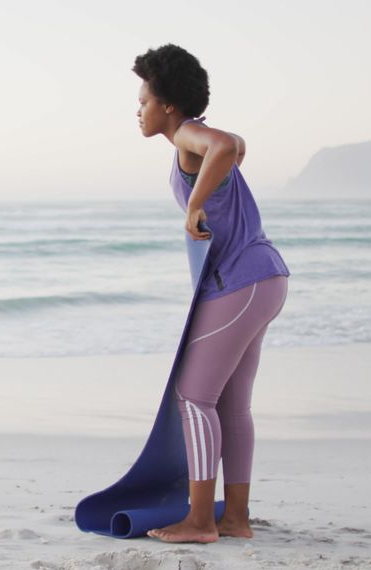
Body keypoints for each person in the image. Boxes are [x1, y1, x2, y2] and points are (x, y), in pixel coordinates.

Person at [133, 43, 291, 543]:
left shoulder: (186, 135)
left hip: (241, 281)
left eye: (144, 101)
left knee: (194, 396)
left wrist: (194, 205)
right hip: (265, 279)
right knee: (231, 405)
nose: (139, 111)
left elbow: (224, 144)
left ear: (169, 106)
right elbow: (234, 144)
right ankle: (235, 520)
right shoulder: (191, 140)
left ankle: (200, 521)